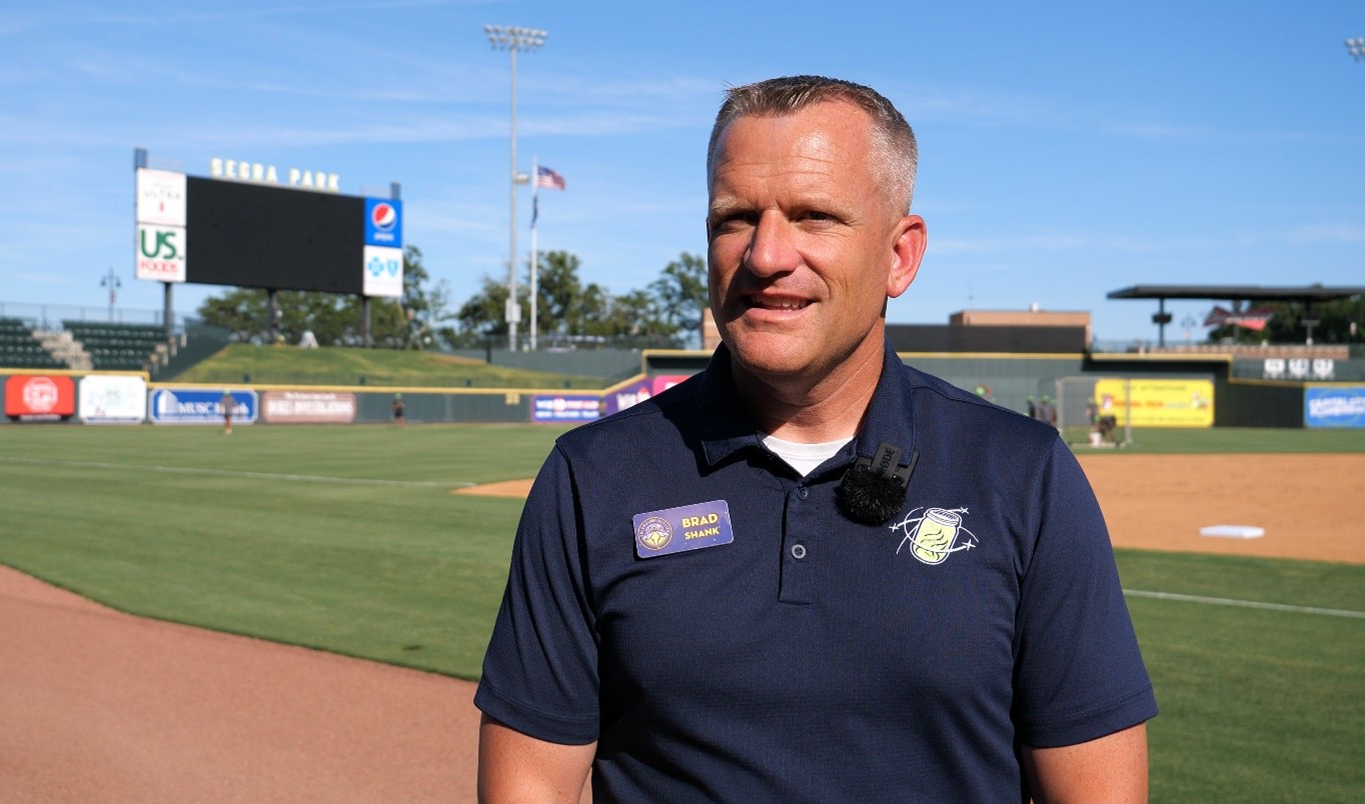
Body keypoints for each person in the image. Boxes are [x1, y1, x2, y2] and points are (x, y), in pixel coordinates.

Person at [475, 76, 1156, 802]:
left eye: (814, 216)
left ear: (901, 256)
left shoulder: (1023, 475)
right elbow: (529, 786)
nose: (766, 256)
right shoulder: (593, 479)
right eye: (734, 219)